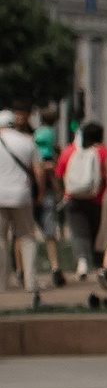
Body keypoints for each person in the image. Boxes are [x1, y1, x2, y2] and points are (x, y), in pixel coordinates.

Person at [56, 120, 107, 296]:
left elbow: (59, 172)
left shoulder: (70, 151)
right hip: (98, 199)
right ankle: (99, 266)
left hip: (73, 198)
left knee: (79, 233)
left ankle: (82, 263)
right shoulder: (104, 152)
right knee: (97, 233)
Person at [0, 108, 39, 300]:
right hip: (22, 196)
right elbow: (37, 170)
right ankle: (31, 282)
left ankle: (2, 283)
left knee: (0, 239)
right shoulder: (27, 141)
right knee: (27, 238)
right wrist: (38, 192)